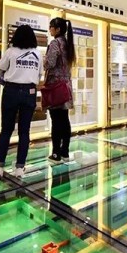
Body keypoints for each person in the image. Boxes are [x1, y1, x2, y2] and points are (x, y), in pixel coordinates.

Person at [0, 25, 42, 178]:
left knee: (6, 130)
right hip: (29, 92)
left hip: (11, 91)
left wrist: (5, 81)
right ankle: (20, 168)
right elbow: (39, 75)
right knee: (24, 131)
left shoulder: (11, 52)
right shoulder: (37, 54)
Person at [44, 17, 75, 163]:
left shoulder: (55, 43)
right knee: (64, 119)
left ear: (57, 29)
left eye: (51, 27)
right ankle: (65, 152)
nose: (50, 29)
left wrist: (43, 59)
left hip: (55, 87)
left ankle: (56, 154)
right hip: (66, 87)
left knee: (56, 120)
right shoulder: (68, 44)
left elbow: (49, 63)